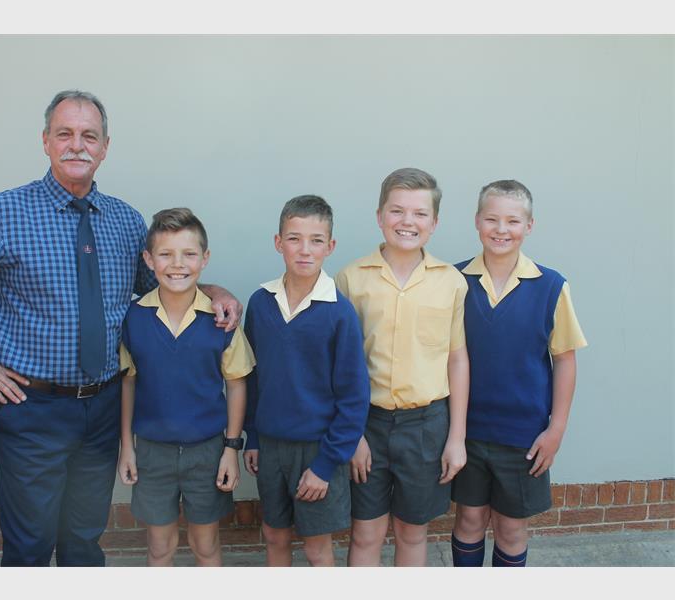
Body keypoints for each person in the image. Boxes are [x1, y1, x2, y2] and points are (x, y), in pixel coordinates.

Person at [0, 90, 241, 567]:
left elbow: (166, 287)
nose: (77, 145)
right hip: (31, 408)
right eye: (64, 134)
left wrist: (216, 290)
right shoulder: (2, 213)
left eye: (89, 135)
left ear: (105, 147)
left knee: (84, 540)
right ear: (45, 141)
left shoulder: (125, 221)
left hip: (103, 407)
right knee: (30, 543)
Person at [335, 167, 469, 567]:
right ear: (380, 216)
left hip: (426, 427)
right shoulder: (351, 279)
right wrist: (351, 435)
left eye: (419, 213)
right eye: (397, 211)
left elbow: (456, 358)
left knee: (412, 532)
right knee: (365, 533)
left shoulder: (451, 282)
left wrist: (457, 438)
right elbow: (338, 365)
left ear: (434, 222)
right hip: (367, 424)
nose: (407, 221)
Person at [450, 180, 587, 567]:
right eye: (491, 219)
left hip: (523, 435)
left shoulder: (551, 286)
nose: (501, 229)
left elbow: (564, 360)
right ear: (477, 221)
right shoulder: (453, 281)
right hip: (466, 431)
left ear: (529, 226)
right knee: (469, 520)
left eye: (512, 220)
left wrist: (556, 429)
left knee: (511, 529)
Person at [116, 208, 254, 566]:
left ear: (204, 259)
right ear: (149, 260)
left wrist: (231, 449)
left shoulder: (222, 319)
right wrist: (127, 447)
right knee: (159, 546)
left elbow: (236, 385)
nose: (177, 264)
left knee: (205, 545)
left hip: (207, 452)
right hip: (152, 452)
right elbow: (127, 383)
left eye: (189, 254)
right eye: (165, 254)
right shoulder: (134, 318)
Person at [242, 195, 370, 567]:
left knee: (316, 549)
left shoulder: (339, 313)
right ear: (278, 242)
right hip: (271, 447)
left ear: (330, 246)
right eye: (294, 238)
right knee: (274, 536)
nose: (304, 249)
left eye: (316, 240)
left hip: (318, 449)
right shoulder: (261, 303)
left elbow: (354, 397)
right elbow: (253, 377)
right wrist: (253, 436)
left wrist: (326, 464)